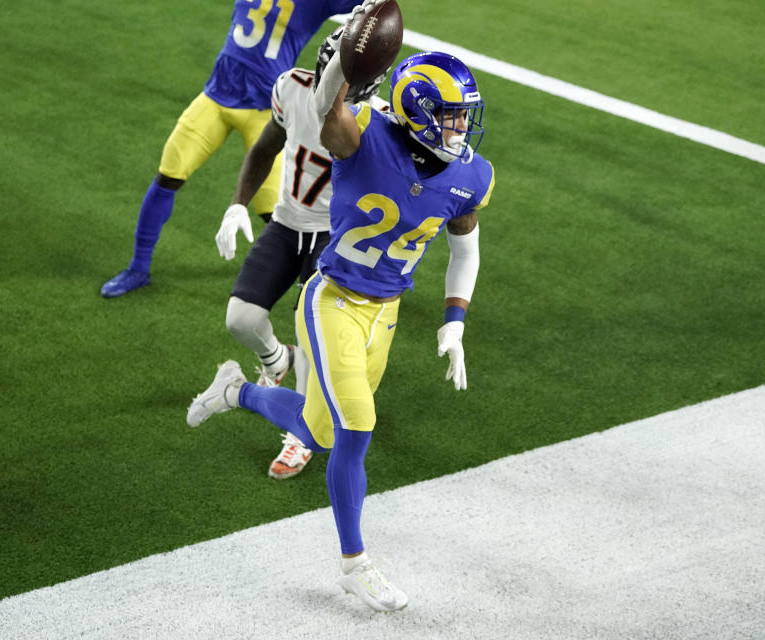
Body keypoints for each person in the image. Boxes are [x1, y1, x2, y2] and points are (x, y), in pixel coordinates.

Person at [186, 29, 494, 612]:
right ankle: (356, 563)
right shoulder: (362, 137)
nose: (461, 129)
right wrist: (349, 54)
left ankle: (236, 391)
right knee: (357, 427)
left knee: (320, 431)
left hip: (387, 313)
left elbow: (466, 251)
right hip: (332, 302)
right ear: (421, 113)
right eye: (452, 117)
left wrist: (455, 320)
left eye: (464, 118)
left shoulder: (472, 176)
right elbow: (331, 109)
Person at [214, 27, 388, 479]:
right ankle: (276, 361)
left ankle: (300, 437)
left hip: (334, 237)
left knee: (315, 341)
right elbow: (265, 148)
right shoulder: (291, 87)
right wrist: (237, 204)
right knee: (241, 318)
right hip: (288, 222)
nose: (328, 81)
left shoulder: (378, 120)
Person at [100, 0, 362, 298]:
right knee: (169, 175)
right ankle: (138, 267)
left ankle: (336, 277)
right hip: (216, 96)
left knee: (277, 211)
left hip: (264, 110)